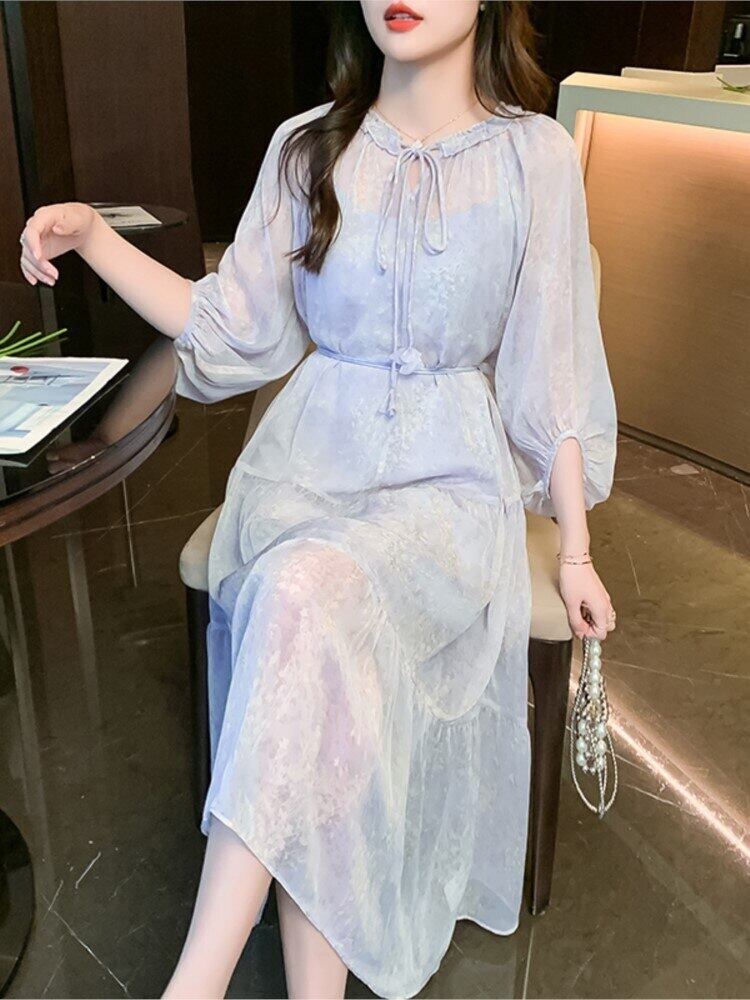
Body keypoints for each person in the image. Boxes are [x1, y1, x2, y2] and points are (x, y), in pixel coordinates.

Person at [18, 2, 618, 996]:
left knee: (303, 594)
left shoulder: (535, 158)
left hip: (446, 493)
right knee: (311, 614)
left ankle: (194, 984)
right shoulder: (307, 147)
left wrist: (579, 551)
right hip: (306, 474)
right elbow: (227, 326)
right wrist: (89, 234)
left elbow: (552, 373)